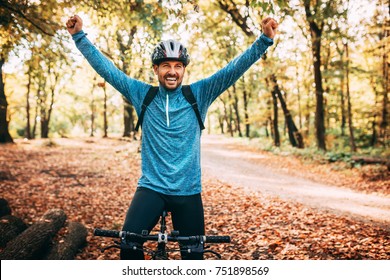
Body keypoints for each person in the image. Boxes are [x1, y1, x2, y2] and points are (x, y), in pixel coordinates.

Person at [66, 14, 278, 260]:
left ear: (184, 70)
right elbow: (109, 71)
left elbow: (232, 69)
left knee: (194, 257)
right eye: (166, 65)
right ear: (156, 69)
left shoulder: (199, 94)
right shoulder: (142, 94)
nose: (172, 71)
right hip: (151, 187)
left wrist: (264, 39)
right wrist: (79, 36)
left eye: (178, 66)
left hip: (188, 190)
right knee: (128, 244)